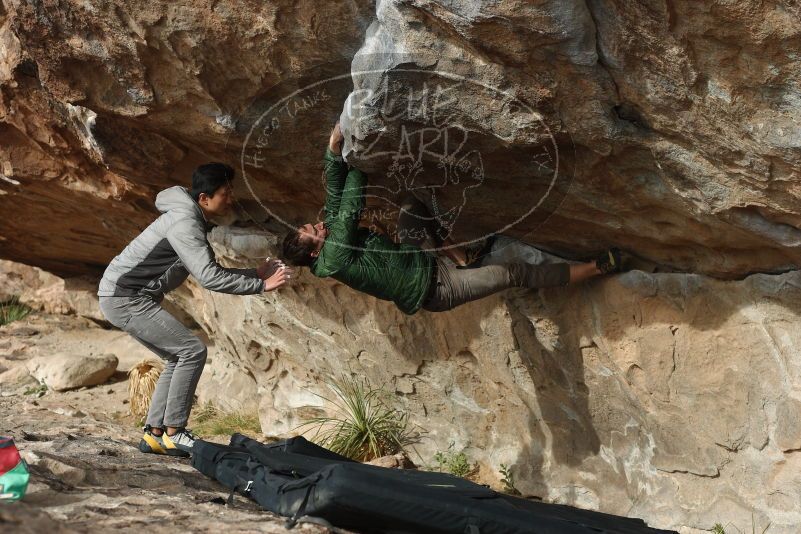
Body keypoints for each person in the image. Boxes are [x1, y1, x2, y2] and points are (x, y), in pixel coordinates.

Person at [281, 123, 622, 315]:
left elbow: (334, 198)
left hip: (416, 256)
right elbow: (348, 206)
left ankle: (460, 255)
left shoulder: (327, 249)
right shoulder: (335, 257)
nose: (318, 225)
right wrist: (355, 162)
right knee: (512, 272)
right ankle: (597, 267)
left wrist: (333, 149)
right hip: (437, 288)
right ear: (314, 252)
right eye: (314, 231)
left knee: (411, 206)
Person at [97, 163, 292, 457]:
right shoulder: (186, 224)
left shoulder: (188, 217)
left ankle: (155, 434)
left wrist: (255, 273)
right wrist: (261, 286)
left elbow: (207, 268)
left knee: (178, 355)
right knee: (192, 351)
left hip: (121, 296)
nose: (231, 198)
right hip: (125, 298)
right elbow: (209, 277)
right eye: (225, 193)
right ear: (204, 198)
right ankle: (176, 432)